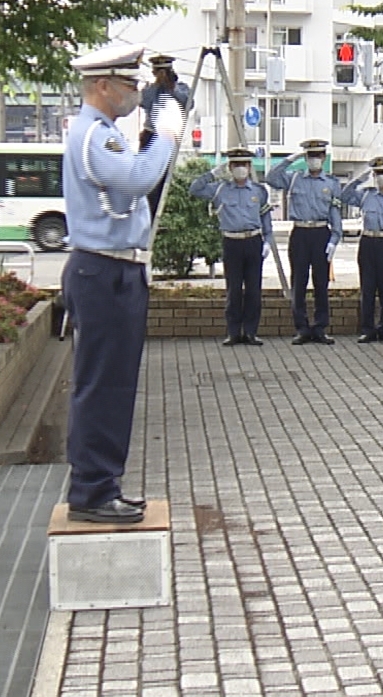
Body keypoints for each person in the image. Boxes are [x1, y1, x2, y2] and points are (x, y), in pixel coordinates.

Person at [61, 42, 179, 525]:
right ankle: (90, 490)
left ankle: (103, 483)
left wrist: (154, 133)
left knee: (116, 384)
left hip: (117, 270)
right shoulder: (95, 136)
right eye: (129, 84)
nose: (136, 92)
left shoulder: (105, 132)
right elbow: (135, 181)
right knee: (102, 385)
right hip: (103, 270)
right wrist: (167, 138)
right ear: (103, 86)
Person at [186, 147, 273, 346]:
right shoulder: (220, 189)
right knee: (233, 290)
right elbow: (194, 189)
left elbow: (265, 217)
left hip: (253, 241)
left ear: (250, 167)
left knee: (253, 290)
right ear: (230, 167)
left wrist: (268, 241)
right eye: (236, 165)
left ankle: (250, 332)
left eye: (244, 164)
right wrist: (213, 173)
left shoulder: (259, 191)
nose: (240, 169)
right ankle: (233, 332)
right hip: (231, 242)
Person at [266, 140, 345, 345]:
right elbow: (271, 177)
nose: (314, 160)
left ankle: (320, 328)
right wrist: (291, 158)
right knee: (298, 283)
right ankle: (301, 328)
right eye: (310, 156)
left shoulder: (331, 183)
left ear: (324, 158)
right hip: (300, 233)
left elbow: (335, 212)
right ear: (305, 158)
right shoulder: (294, 179)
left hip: (321, 233)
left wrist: (335, 239)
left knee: (321, 283)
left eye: (318, 156)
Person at [340, 156, 383, 344]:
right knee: (367, 289)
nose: (381, 177)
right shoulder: (365, 195)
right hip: (368, 241)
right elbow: (344, 196)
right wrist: (359, 180)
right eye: (377, 173)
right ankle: (367, 329)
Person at [139, 54, 192, 214]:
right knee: (148, 177)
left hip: (168, 136)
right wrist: (157, 85)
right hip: (151, 134)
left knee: (164, 177)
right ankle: (148, 210)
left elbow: (188, 103)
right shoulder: (149, 89)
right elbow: (143, 101)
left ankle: (158, 209)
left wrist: (171, 87)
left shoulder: (181, 87)